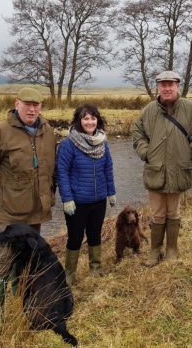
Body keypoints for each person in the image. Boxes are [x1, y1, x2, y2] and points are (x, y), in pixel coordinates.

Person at [0, 87, 56, 321]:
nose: (32, 109)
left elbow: (50, 169)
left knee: (27, 260)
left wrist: (51, 196)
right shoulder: (1, 130)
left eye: (36, 105)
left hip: (35, 212)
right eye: (27, 104)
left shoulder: (47, 131)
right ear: (16, 103)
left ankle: (23, 306)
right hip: (7, 211)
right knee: (3, 262)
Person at [131, 70, 192, 266]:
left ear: (177, 86)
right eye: (163, 84)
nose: (166, 88)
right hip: (155, 171)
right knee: (157, 214)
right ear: (158, 87)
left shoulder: (191, 108)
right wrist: (145, 152)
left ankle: (172, 250)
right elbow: (137, 133)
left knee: (173, 213)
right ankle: (154, 251)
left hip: (179, 171)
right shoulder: (148, 110)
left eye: (170, 84)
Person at [56, 104, 116, 285]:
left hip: (98, 201)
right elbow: (62, 173)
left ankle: (95, 270)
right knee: (75, 237)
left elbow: (108, 169)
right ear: (79, 121)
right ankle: (69, 275)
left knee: (95, 234)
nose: (90, 122)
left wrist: (111, 192)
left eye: (93, 118)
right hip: (77, 202)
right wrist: (67, 199)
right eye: (85, 118)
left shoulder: (102, 142)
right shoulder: (69, 144)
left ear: (98, 120)